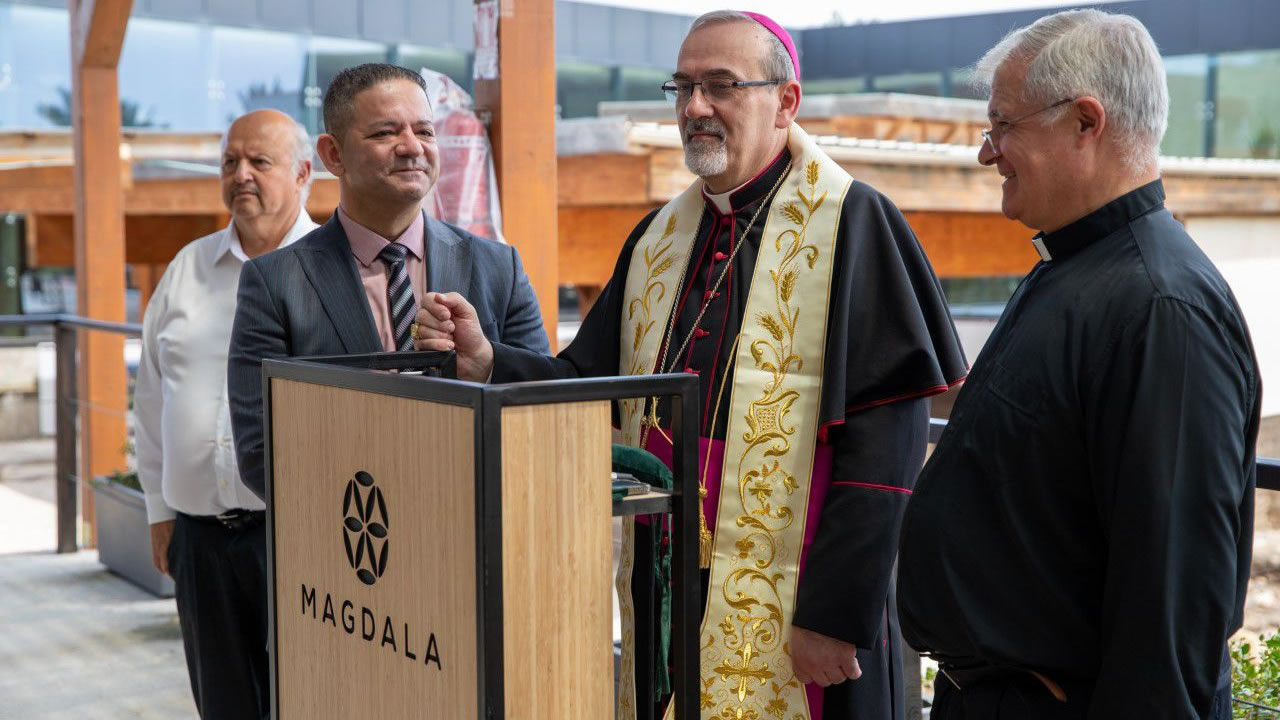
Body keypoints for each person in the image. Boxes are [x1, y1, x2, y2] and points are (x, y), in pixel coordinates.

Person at [413, 11, 966, 720]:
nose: (694, 107)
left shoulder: (854, 222)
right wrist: (488, 361)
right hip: (671, 570)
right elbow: (594, 384)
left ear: (785, 102)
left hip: (801, 588)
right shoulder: (659, 237)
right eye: (683, 88)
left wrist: (834, 613)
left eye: (721, 86)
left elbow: (884, 452)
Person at [896, 9, 1261, 719]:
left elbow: (1172, 613)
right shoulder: (1079, 268)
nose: (986, 152)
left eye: (1002, 126)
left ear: (1085, 122)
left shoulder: (1161, 308)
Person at [228, 63, 549, 499]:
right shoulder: (275, 282)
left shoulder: (498, 267)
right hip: (354, 542)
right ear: (333, 154)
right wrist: (391, 504)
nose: (412, 147)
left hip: (478, 526)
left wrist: (487, 365)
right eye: (384, 133)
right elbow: (260, 453)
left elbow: (543, 410)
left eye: (425, 131)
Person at [134, 109, 318, 719]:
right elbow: (152, 397)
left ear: (302, 174)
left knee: (305, 698)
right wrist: (161, 513)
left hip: (296, 539)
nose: (241, 175)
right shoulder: (187, 268)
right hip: (199, 540)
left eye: (259, 161)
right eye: (230, 162)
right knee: (221, 705)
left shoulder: (332, 272)